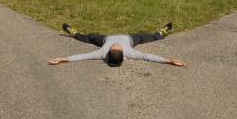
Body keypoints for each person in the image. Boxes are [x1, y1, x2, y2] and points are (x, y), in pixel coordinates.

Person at [48, 22, 186, 67]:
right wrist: (170, 61)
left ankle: (73, 33)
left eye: (113, 46)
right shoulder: (129, 53)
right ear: (122, 52)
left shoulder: (103, 52)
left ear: (108, 53)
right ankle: (162, 32)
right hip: (130, 38)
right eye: (117, 46)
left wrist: (62, 59)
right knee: (144, 36)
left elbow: (82, 56)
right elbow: (149, 56)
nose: (115, 43)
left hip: (104, 38)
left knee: (90, 37)